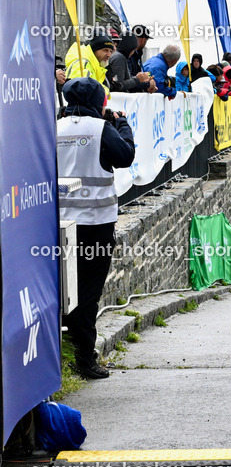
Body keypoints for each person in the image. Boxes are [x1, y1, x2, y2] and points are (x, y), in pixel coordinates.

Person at [57, 78, 136, 379]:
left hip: (58, 223)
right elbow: (125, 156)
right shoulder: (100, 129)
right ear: (99, 101)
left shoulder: (54, 127)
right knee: (87, 293)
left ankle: (55, 355)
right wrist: (122, 125)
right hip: (95, 225)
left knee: (58, 290)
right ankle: (84, 359)